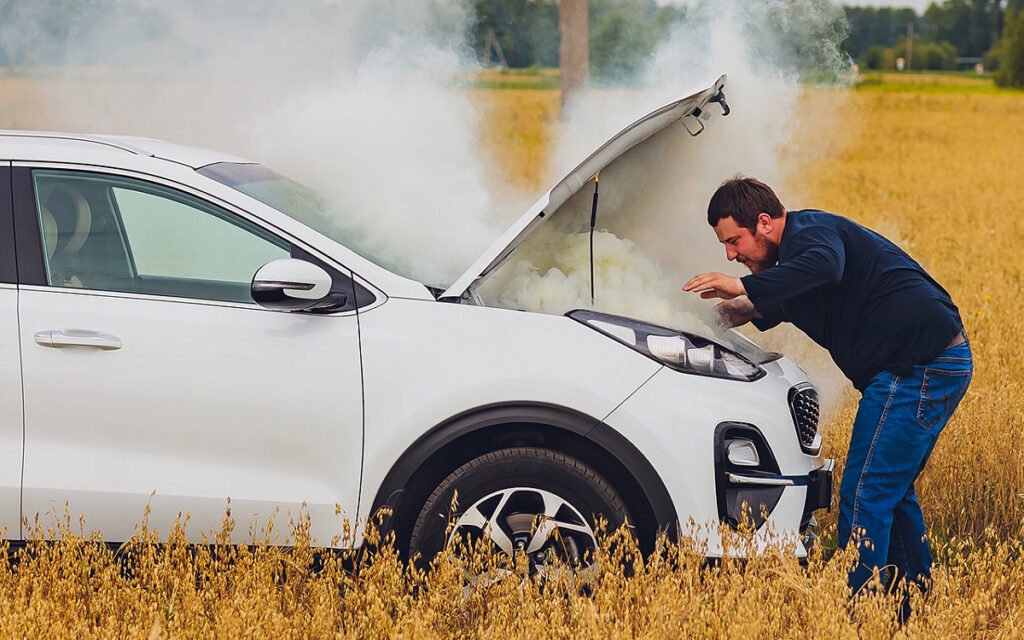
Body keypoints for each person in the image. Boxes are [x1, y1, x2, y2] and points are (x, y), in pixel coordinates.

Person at [683, 176, 972, 616]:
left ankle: (862, 616)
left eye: (734, 241)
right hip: (925, 364)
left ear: (764, 223)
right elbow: (766, 302)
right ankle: (912, 606)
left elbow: (824, 267)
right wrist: (701, 317)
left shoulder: (811, 234)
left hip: (918, 367)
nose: (730, 255)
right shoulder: (791, 264)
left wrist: (741, 285)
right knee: (891, 491)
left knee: (864, 494)